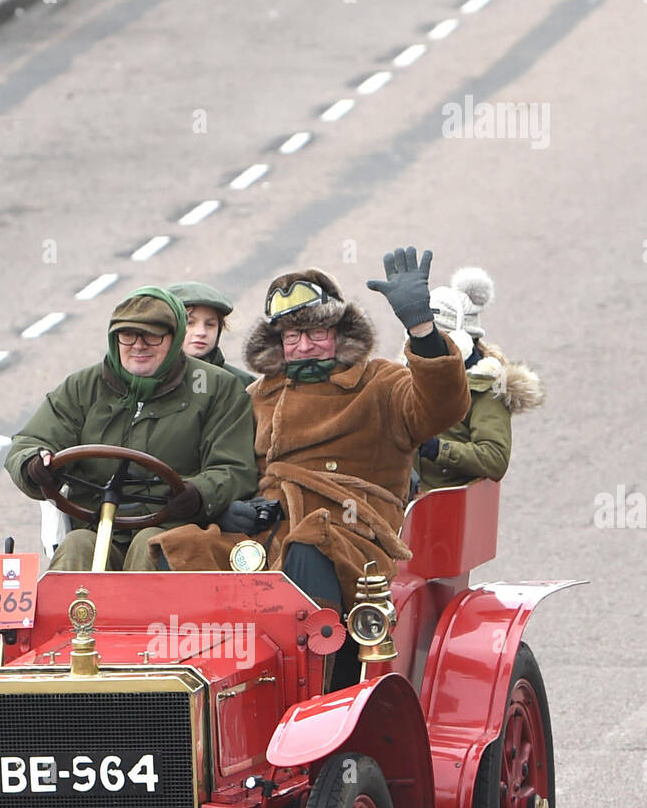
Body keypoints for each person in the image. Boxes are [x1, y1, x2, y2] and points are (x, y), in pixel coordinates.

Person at [151, 248, 471, 611]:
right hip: (267, 533)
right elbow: (230, 469)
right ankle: (197, 664)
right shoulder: (257, 396)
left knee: (309, 546)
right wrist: (225, 508)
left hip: (354, 538)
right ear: (278, 344)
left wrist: (423, 331)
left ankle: (320, 665)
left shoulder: (381, 382)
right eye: (291, 337)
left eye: (316, 332)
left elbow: (442, 408)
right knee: (181, 549)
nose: (304, 347)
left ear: (340, 332)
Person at [5, 285, 257, 571]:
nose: (138, 345)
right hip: (93, 522)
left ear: (174, 340)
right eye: (127, 335)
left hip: (176, 526)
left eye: (152, 335)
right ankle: (72, 616)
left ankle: (148, 617)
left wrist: (199, 493)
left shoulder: (217, 387)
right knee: (76, 545)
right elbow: (29, 441)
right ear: (115, 339)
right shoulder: (83, 386)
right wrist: (34, 463)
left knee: (152, 544)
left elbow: (234, 468)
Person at [411, 267, 545, 491]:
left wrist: (436, 449)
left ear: (460, 341)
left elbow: (495, 459)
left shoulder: (486, 390)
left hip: (446, 506)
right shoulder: (411, 373)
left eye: (430, 337)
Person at [167, 282, 254, 387]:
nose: (201, 332)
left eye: (210, 324)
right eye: (189, 323)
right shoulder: (145, 381)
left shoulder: (242, 385)